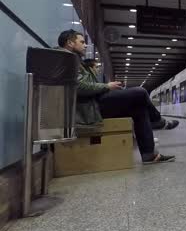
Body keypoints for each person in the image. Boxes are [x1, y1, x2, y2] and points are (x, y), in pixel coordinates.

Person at [57, 29, 176, 164]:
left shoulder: (74, 60)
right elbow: (78, 87)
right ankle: (158, 120)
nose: (85, 45)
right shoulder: (66, 59)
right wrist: (107, 87)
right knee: (140, 92)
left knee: (139, 108)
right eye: (82, 42)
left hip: (91, 105)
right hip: (87, 109)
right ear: (70, 43)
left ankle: (149, 154)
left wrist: (107, 87)